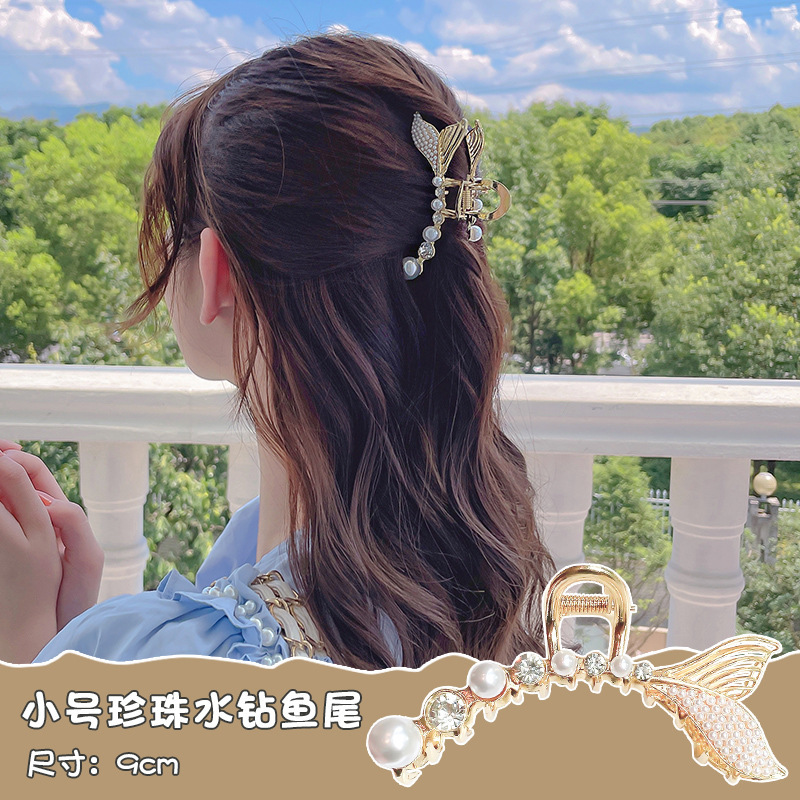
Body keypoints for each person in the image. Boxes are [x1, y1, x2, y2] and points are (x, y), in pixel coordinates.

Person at [0, 30, 556, 670]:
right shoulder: (472, 562)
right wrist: (72, 649)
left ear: (217, 272)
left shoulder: (184, 654)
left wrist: (30, 657)